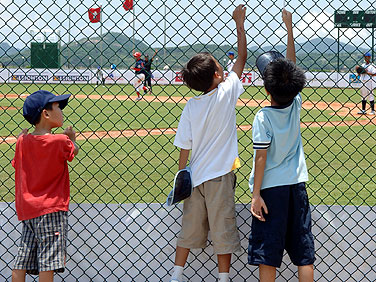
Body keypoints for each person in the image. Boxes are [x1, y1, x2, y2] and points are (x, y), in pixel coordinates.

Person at [169, 5, 247, 282]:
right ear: (216, 75)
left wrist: (182, 176)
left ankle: (176, 274)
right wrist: (240, 24)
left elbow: (184, 146)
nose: (223, 67)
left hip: (196, 176)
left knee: (188, 230)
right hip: (220, 177)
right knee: (223, 229)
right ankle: (223, 277)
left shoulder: (191, 105)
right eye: (218, 65)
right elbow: (241, 59)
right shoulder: (226, 93)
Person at [247, 9, 315, 282]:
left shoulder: (263, 116)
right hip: (297, 185)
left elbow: (260, 158)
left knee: (268, 253)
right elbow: (292, 67)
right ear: (295, 87)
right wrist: (289, 28)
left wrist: (255, 194)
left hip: (271, 189)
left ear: (267, 89)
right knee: (303, 252)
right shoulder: (296, 104)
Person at [11, 90, 79, 282]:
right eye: (57, 107)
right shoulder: (60, 140)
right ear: (45, 114)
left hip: (28, 209)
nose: (61, 111)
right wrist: (72, 139)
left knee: (22, 259)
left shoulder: (22, 141)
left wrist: (21, 139)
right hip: (51, 208)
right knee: (48, 261)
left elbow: (18, 162)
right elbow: (72, 151)